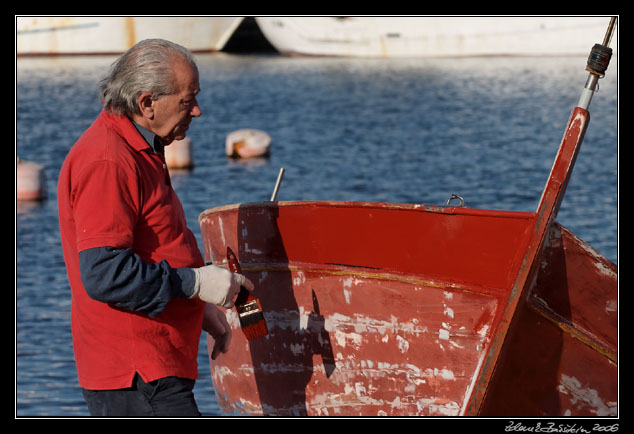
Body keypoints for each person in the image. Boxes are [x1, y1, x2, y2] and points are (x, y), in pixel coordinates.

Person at [57, 39, 254, 417]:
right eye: (187, 100)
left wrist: (197, 306)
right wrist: (197, 283)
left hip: (153, 365)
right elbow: (104, 274)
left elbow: (154, 244)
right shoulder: (109, 159)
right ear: (147, 103)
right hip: (136, 373)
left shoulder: (137, 147)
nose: (197, 110)